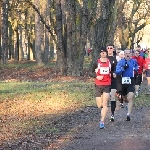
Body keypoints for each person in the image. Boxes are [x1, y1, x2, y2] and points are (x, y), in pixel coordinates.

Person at [89, 47, 111, 129]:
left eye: (104, 52)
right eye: (101, 52)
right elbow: (90, 72)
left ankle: (102, 121)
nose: (103, 53)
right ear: (100, 54)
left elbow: (113, 70)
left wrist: (114, 73)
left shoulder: (110, 62)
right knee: (99, 105)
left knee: (105, 103)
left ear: (106, 53)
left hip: (107, 84)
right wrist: (97, 76)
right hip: (98, 85)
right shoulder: (96, 62)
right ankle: (102, 109)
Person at [116, 48, 138, 121]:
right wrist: (123, 68)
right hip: (123, 81)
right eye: (126, 53)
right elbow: (117, 71)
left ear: (131, 54)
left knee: (130, 97)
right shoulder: (120, 62)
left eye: (129, 53)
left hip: (131, 80)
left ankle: (128, 114)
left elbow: (137, 67)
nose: (128, 54)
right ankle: (126, 103)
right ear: (124, 54)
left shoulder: (134, 61)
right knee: (125, 98)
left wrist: (136, 69)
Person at [106, 44, 117, 122]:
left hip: (113, 80)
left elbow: (119, 68)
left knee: (112, 96)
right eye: (108, 48)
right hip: (105, 80)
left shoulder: (116, 58)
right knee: (106, 98)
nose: (109, 49)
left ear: (113, 49)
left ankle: (112, 114)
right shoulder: (104, 58)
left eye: (111, 48)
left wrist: (115, 73)